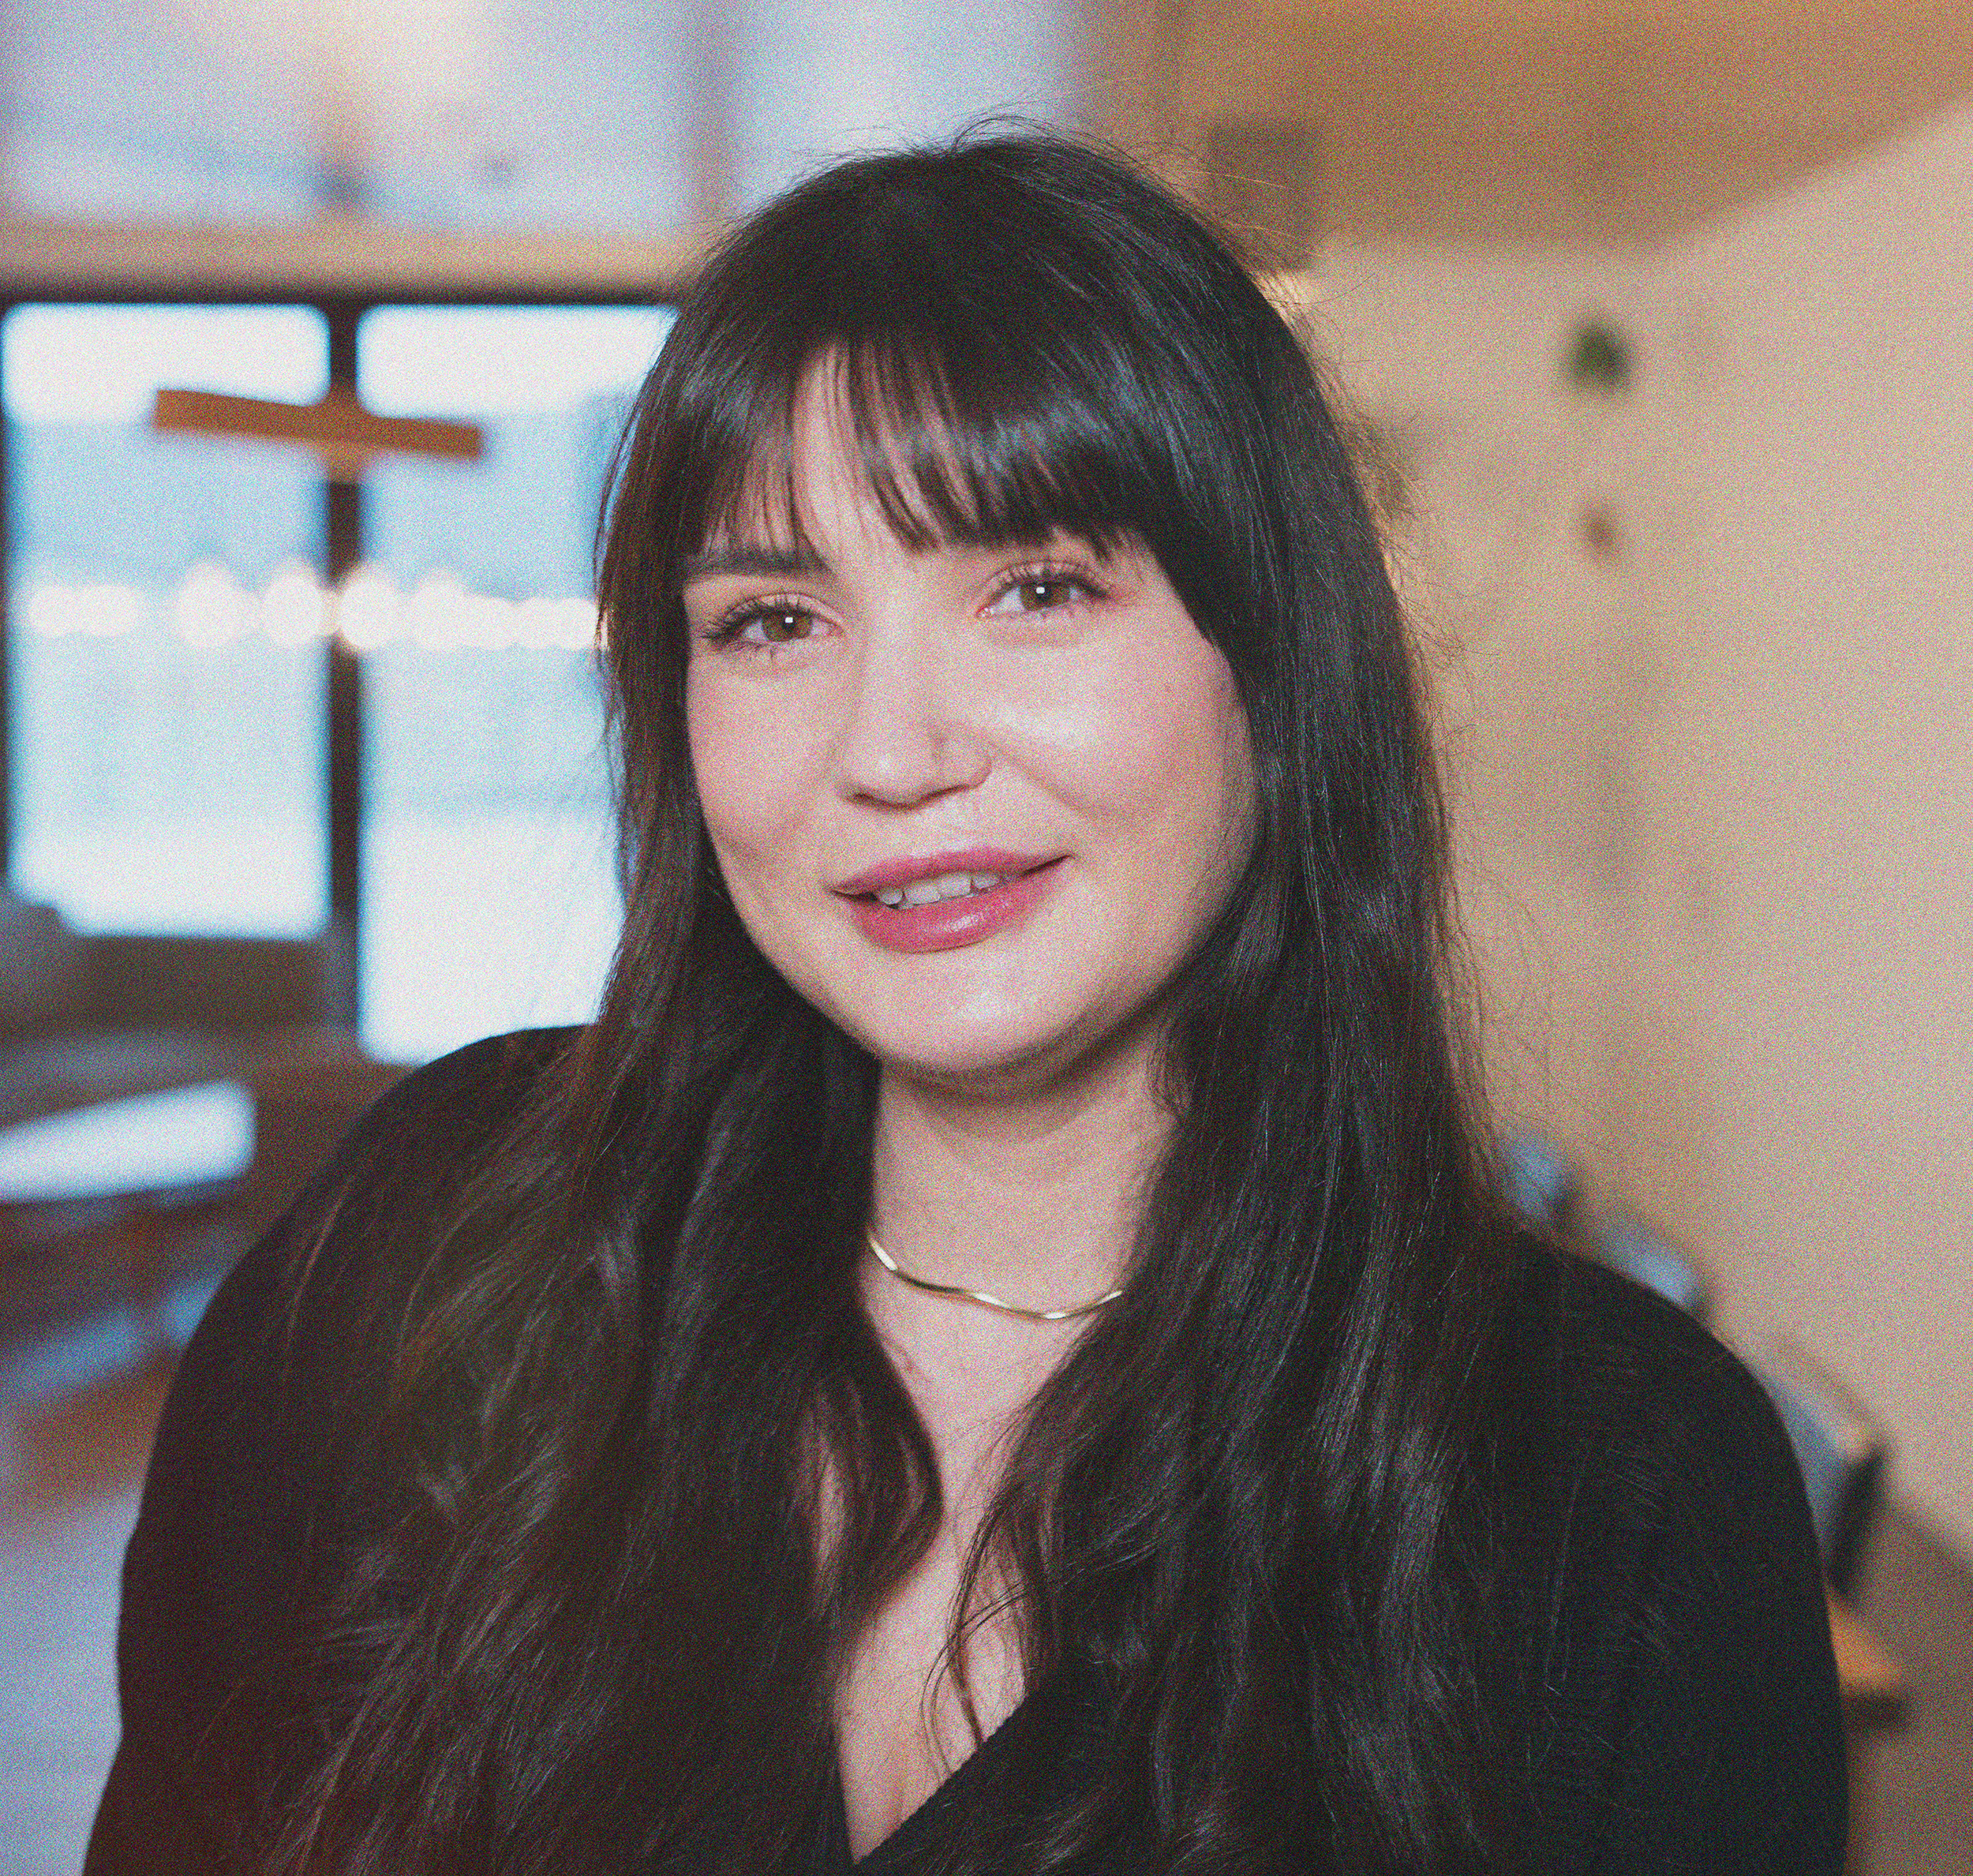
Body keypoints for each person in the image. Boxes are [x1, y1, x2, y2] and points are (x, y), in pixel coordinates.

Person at [85, 130, 1846, 1876]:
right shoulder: (433, 1249)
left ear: (1277, 669)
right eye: (773, 621)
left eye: (1037, 589)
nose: (892, 752)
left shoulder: (1614, 1486)